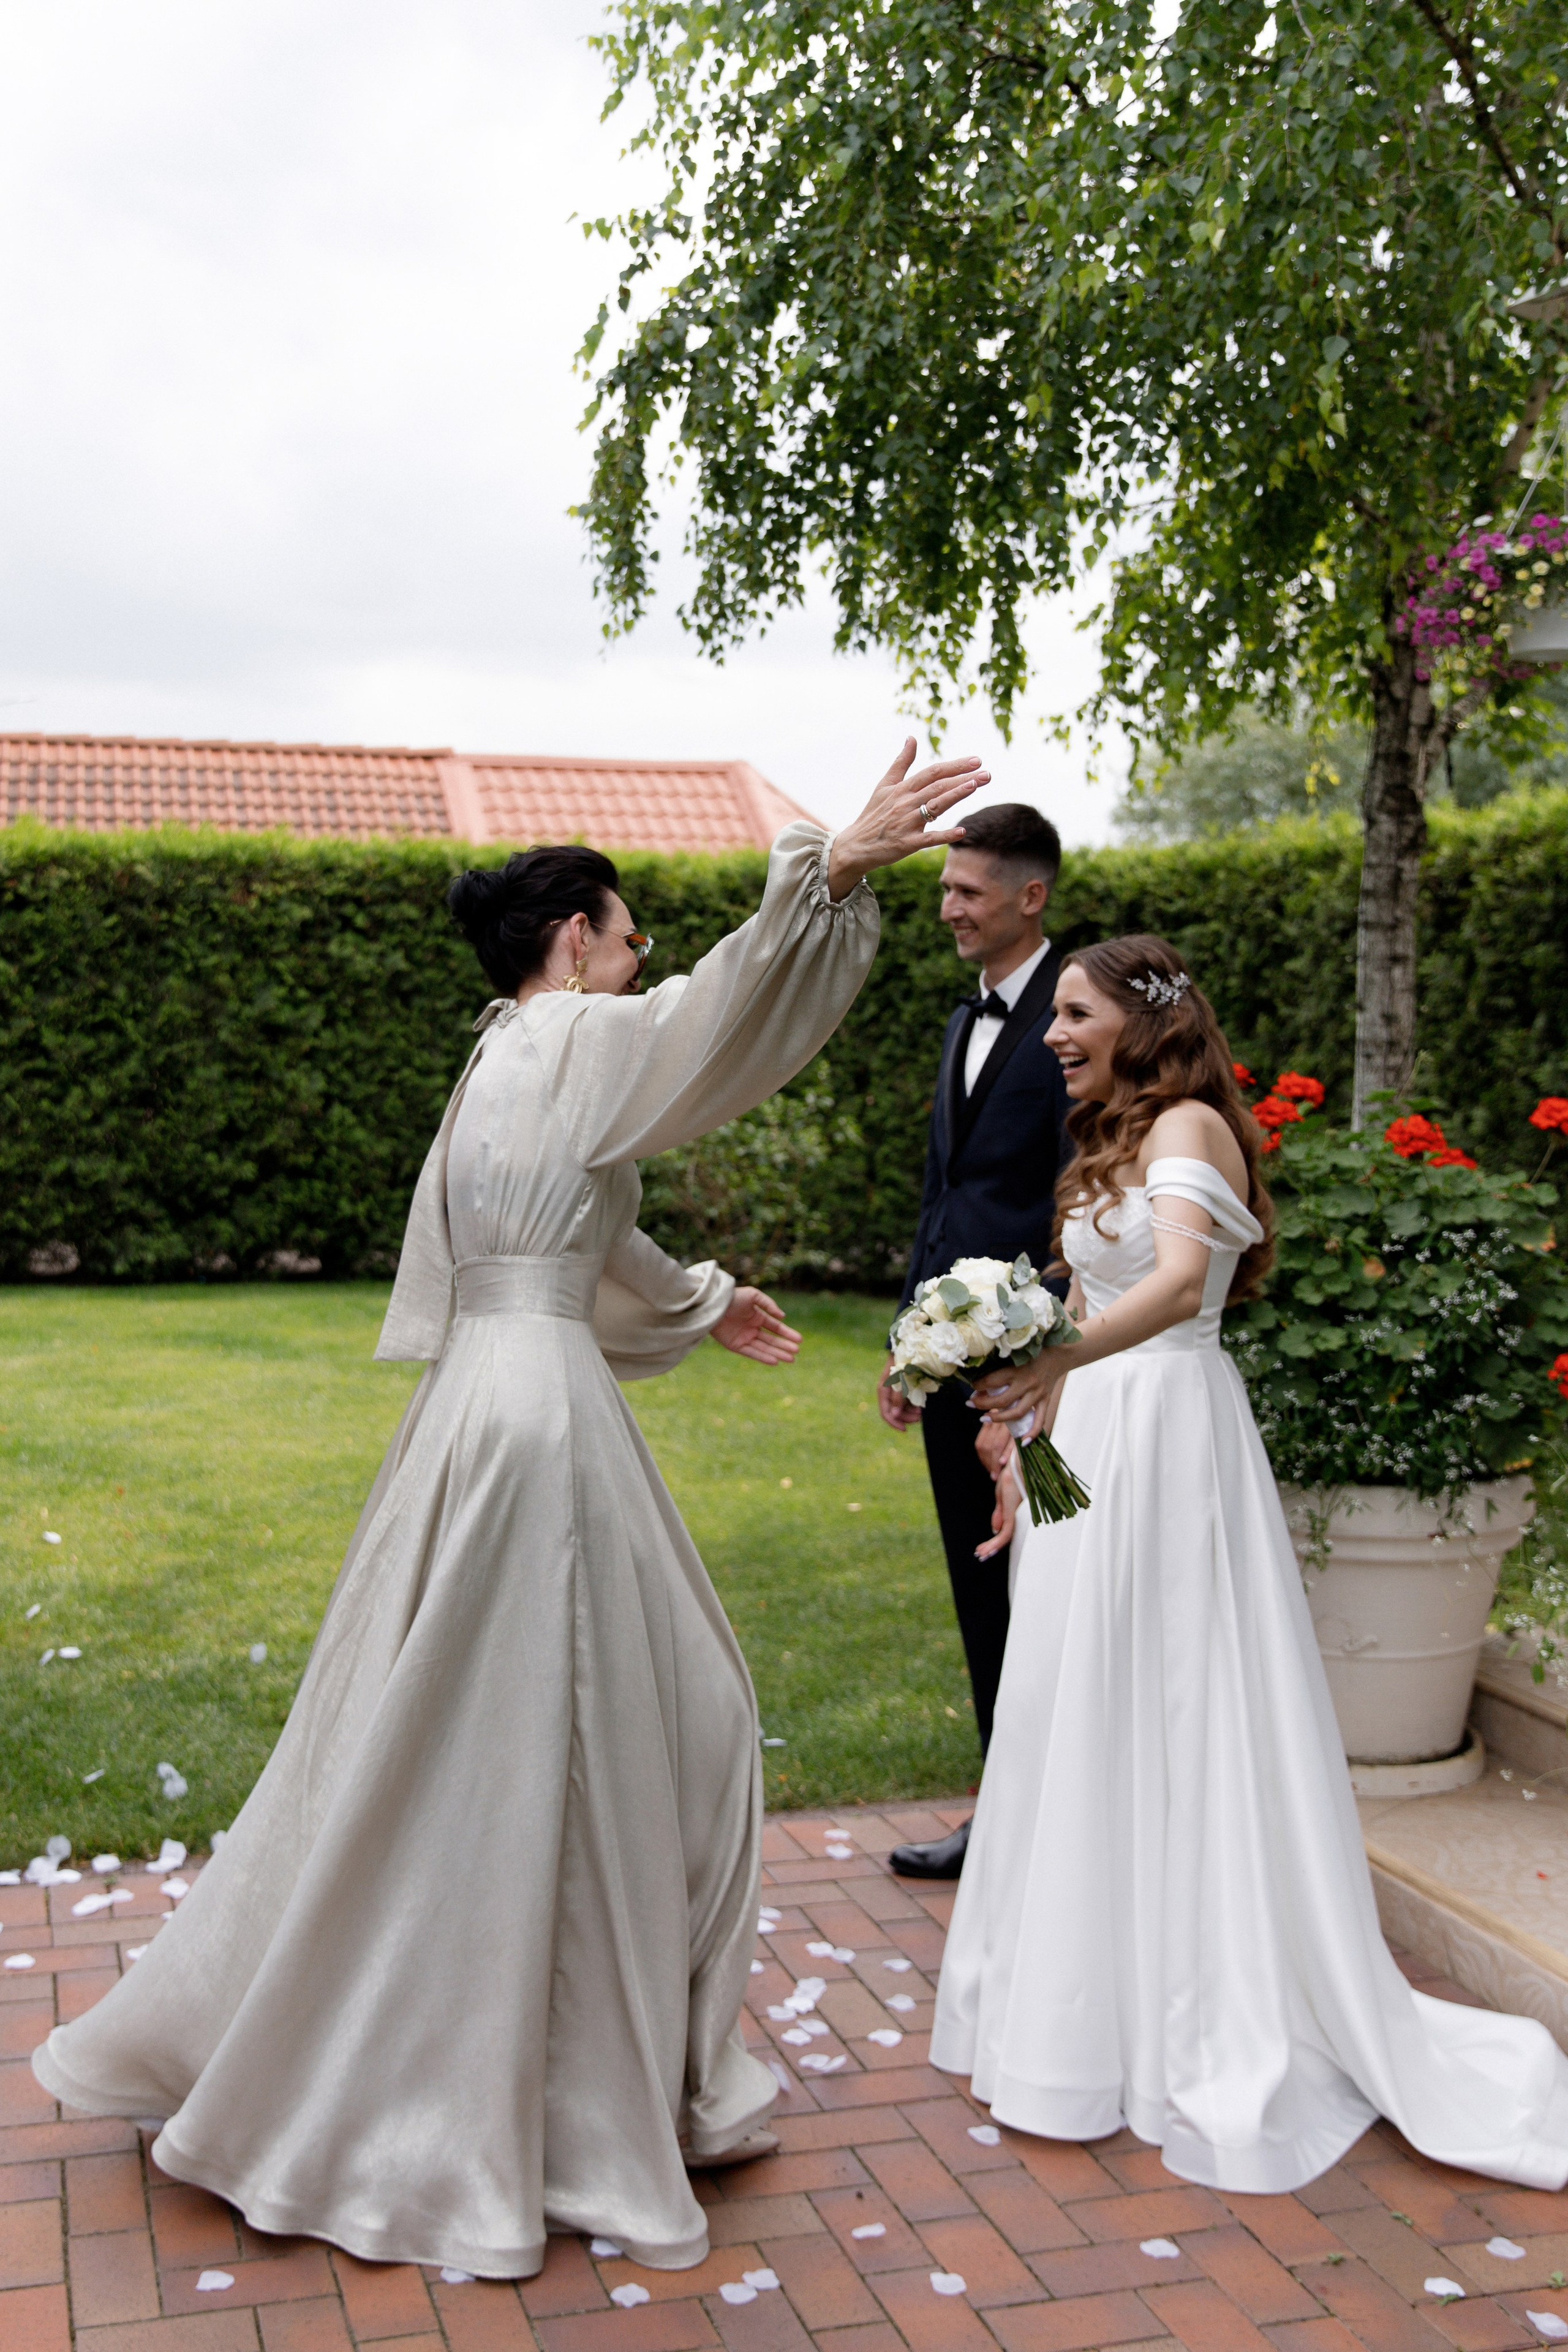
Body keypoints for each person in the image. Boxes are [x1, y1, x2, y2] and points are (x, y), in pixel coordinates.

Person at [31, 741, 984, 2277]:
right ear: (570, 944)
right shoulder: (565, 1042)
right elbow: (717, 1016)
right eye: (622, 932)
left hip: (482, 1413)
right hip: (535, 1429)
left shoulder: (505, 1064)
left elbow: (572, 1231)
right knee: (615, 1722)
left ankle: (532, 2053)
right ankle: (519, 2085)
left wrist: (707, 1296)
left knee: (536, 1726)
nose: (640, 955)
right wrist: (833, 868)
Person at [932, 936, 1568, 2191]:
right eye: (1049, 1014)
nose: (1050, 1034)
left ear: (1140, 1019)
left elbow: (1172, 1287)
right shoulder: (1115, 1134)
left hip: (1166, 1436)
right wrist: (1020, 1446)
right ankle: (1075, 2007)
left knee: (1164, 1701)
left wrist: (1057, 1362)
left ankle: (1188, 2004)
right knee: (1075, 1700)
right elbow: (1079, 1310)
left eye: (1071, 1012)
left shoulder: (1185, 1132)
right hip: (1093, 1439)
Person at [876, 803, 1072, 1880]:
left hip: (1045, 1365)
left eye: (966, 890)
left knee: (1051, 1578)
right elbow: (941, 1198)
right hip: (950, 1361)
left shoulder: (1079, 1016)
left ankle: (1066, 1821)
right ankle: (1000, 1819)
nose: (947, 905)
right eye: (946, 888)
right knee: (978, 1585)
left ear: (1028, 896)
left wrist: (1033, 1339)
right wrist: (913, 1342)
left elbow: (1086, 1197)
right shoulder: (963, 1022)